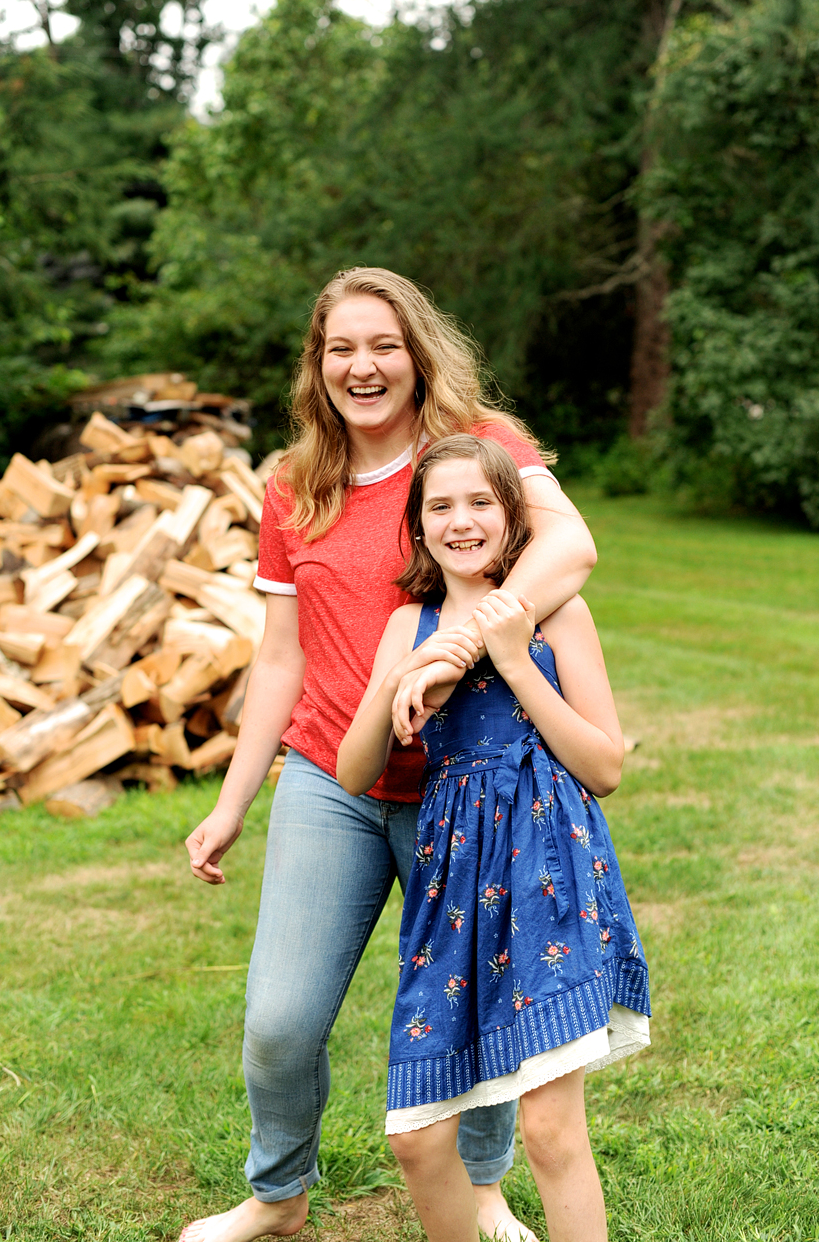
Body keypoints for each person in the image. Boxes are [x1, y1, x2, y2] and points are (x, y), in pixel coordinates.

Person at [181, 268, 599, 1242]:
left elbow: (570, 544)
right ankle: (278, 1194)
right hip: (334, 777)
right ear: (316, 364)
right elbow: (281, 657)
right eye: (340, 348)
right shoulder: (294, 485)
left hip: (471, 782)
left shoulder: (480, 449)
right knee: (280, 1020)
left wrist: (455, 646)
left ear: (416, 349)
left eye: (383, 344)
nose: (362, 366)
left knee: (486, 1007)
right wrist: (234, 800)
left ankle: (484, 1184)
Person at [337, 435, 651, 1242]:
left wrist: (512, 660)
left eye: (481, 502)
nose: (461, 520)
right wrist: (400, 680)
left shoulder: (556, 613)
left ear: (513, 518)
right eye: (440, 505)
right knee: (414, 1136)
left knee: (548, 1127)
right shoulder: (409, 622)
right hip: (454, 879)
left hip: (547, 860)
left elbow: (606, 763)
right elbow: (352, 768)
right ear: (417, 526)